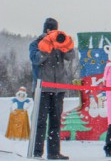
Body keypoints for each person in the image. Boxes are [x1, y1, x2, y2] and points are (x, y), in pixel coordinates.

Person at [30, 17, 75, 160]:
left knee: (56, 122)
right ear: (47, 30)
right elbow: (35, 59)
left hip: (58, 89)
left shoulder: (58, 42)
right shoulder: (35, 43)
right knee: (41, 122)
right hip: (42, 89)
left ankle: (53, 153)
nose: (54, 32)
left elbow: (71, 56)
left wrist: (65, 43)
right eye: (52, 30)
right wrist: (46, 47)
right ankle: (37, 152)